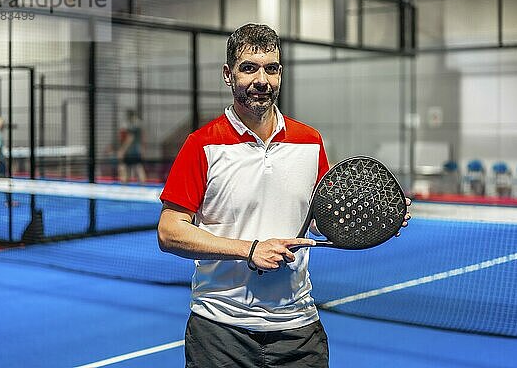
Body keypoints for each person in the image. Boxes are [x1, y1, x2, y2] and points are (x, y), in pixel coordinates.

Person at [157, 23, 411, 368]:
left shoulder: (309, 141)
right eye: (249, 68)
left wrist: (371, 218)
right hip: (219, 331)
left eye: (271, 69)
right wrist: (249, 250)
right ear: (228, 74)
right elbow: (170, 231)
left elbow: (321, 219)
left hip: (298, 330)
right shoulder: (201, 145)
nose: (262, 80)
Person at [117, 109, 147, 183]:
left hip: (129, 151)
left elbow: (130, 138)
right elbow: (143, 138)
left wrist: (122, 150)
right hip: (137, 149)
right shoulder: (139, 125)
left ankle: (124, 185)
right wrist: (143, 149)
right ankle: (143, 185)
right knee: (138, 167)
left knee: (123, 167)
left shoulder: (129, 125)